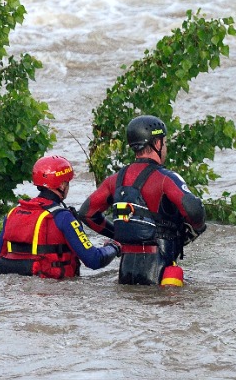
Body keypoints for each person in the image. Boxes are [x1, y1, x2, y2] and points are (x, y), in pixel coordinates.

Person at [83, 115, 207, 286]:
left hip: (126, 270)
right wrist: (196, 229)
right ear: (157, 144)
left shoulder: (115, 179)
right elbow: (194, 209)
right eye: (164, 142)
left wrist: (118, 234)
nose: (165, 147)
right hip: (160, 268)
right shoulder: (166, 178)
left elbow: (87, 213)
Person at [0, 155, 122, 278]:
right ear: (61, 185)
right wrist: (114, 246)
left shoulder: (13, 213)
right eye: (67, 182)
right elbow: (94, 259)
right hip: (52, 293)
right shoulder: (63, 217)